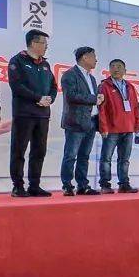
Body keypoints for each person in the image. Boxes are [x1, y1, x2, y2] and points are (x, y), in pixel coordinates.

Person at [8, 29, 57, 197]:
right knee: (19, 150)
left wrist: (50, 98)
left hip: (43, 115)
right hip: (24, 114)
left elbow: (53, 86)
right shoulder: (18, 61)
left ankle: (34, 185)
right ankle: (18, 186)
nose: (46, 47)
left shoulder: (45, 64)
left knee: (39, 151)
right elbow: (17, 86)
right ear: (34, 43)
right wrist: (37, 98)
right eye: (44, 44)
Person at [60, 47, 104, 196]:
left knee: (84, 155)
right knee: (70, 155)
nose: (96, 60)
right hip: (75, 121)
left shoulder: (91, 77)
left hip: (91, 121)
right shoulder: (69, 75)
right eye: (93, 56)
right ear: (84, 57)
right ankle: (67, 185)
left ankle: (82, 185)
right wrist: (94, 99)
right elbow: (71, 96)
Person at [97, 58, 139, 194]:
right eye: (113, 66)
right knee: (106, 158)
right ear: (109, 70)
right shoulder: (104, 86)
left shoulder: (130, 87)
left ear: (124, 71)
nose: (116, 69)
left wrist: (137, 124)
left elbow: (135, 106)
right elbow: (102, 109)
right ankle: (105, 185)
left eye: (119, 66)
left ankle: (124, 185)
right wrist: (103, 127)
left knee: (124, 159)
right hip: (111, 129)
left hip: (128, 128)